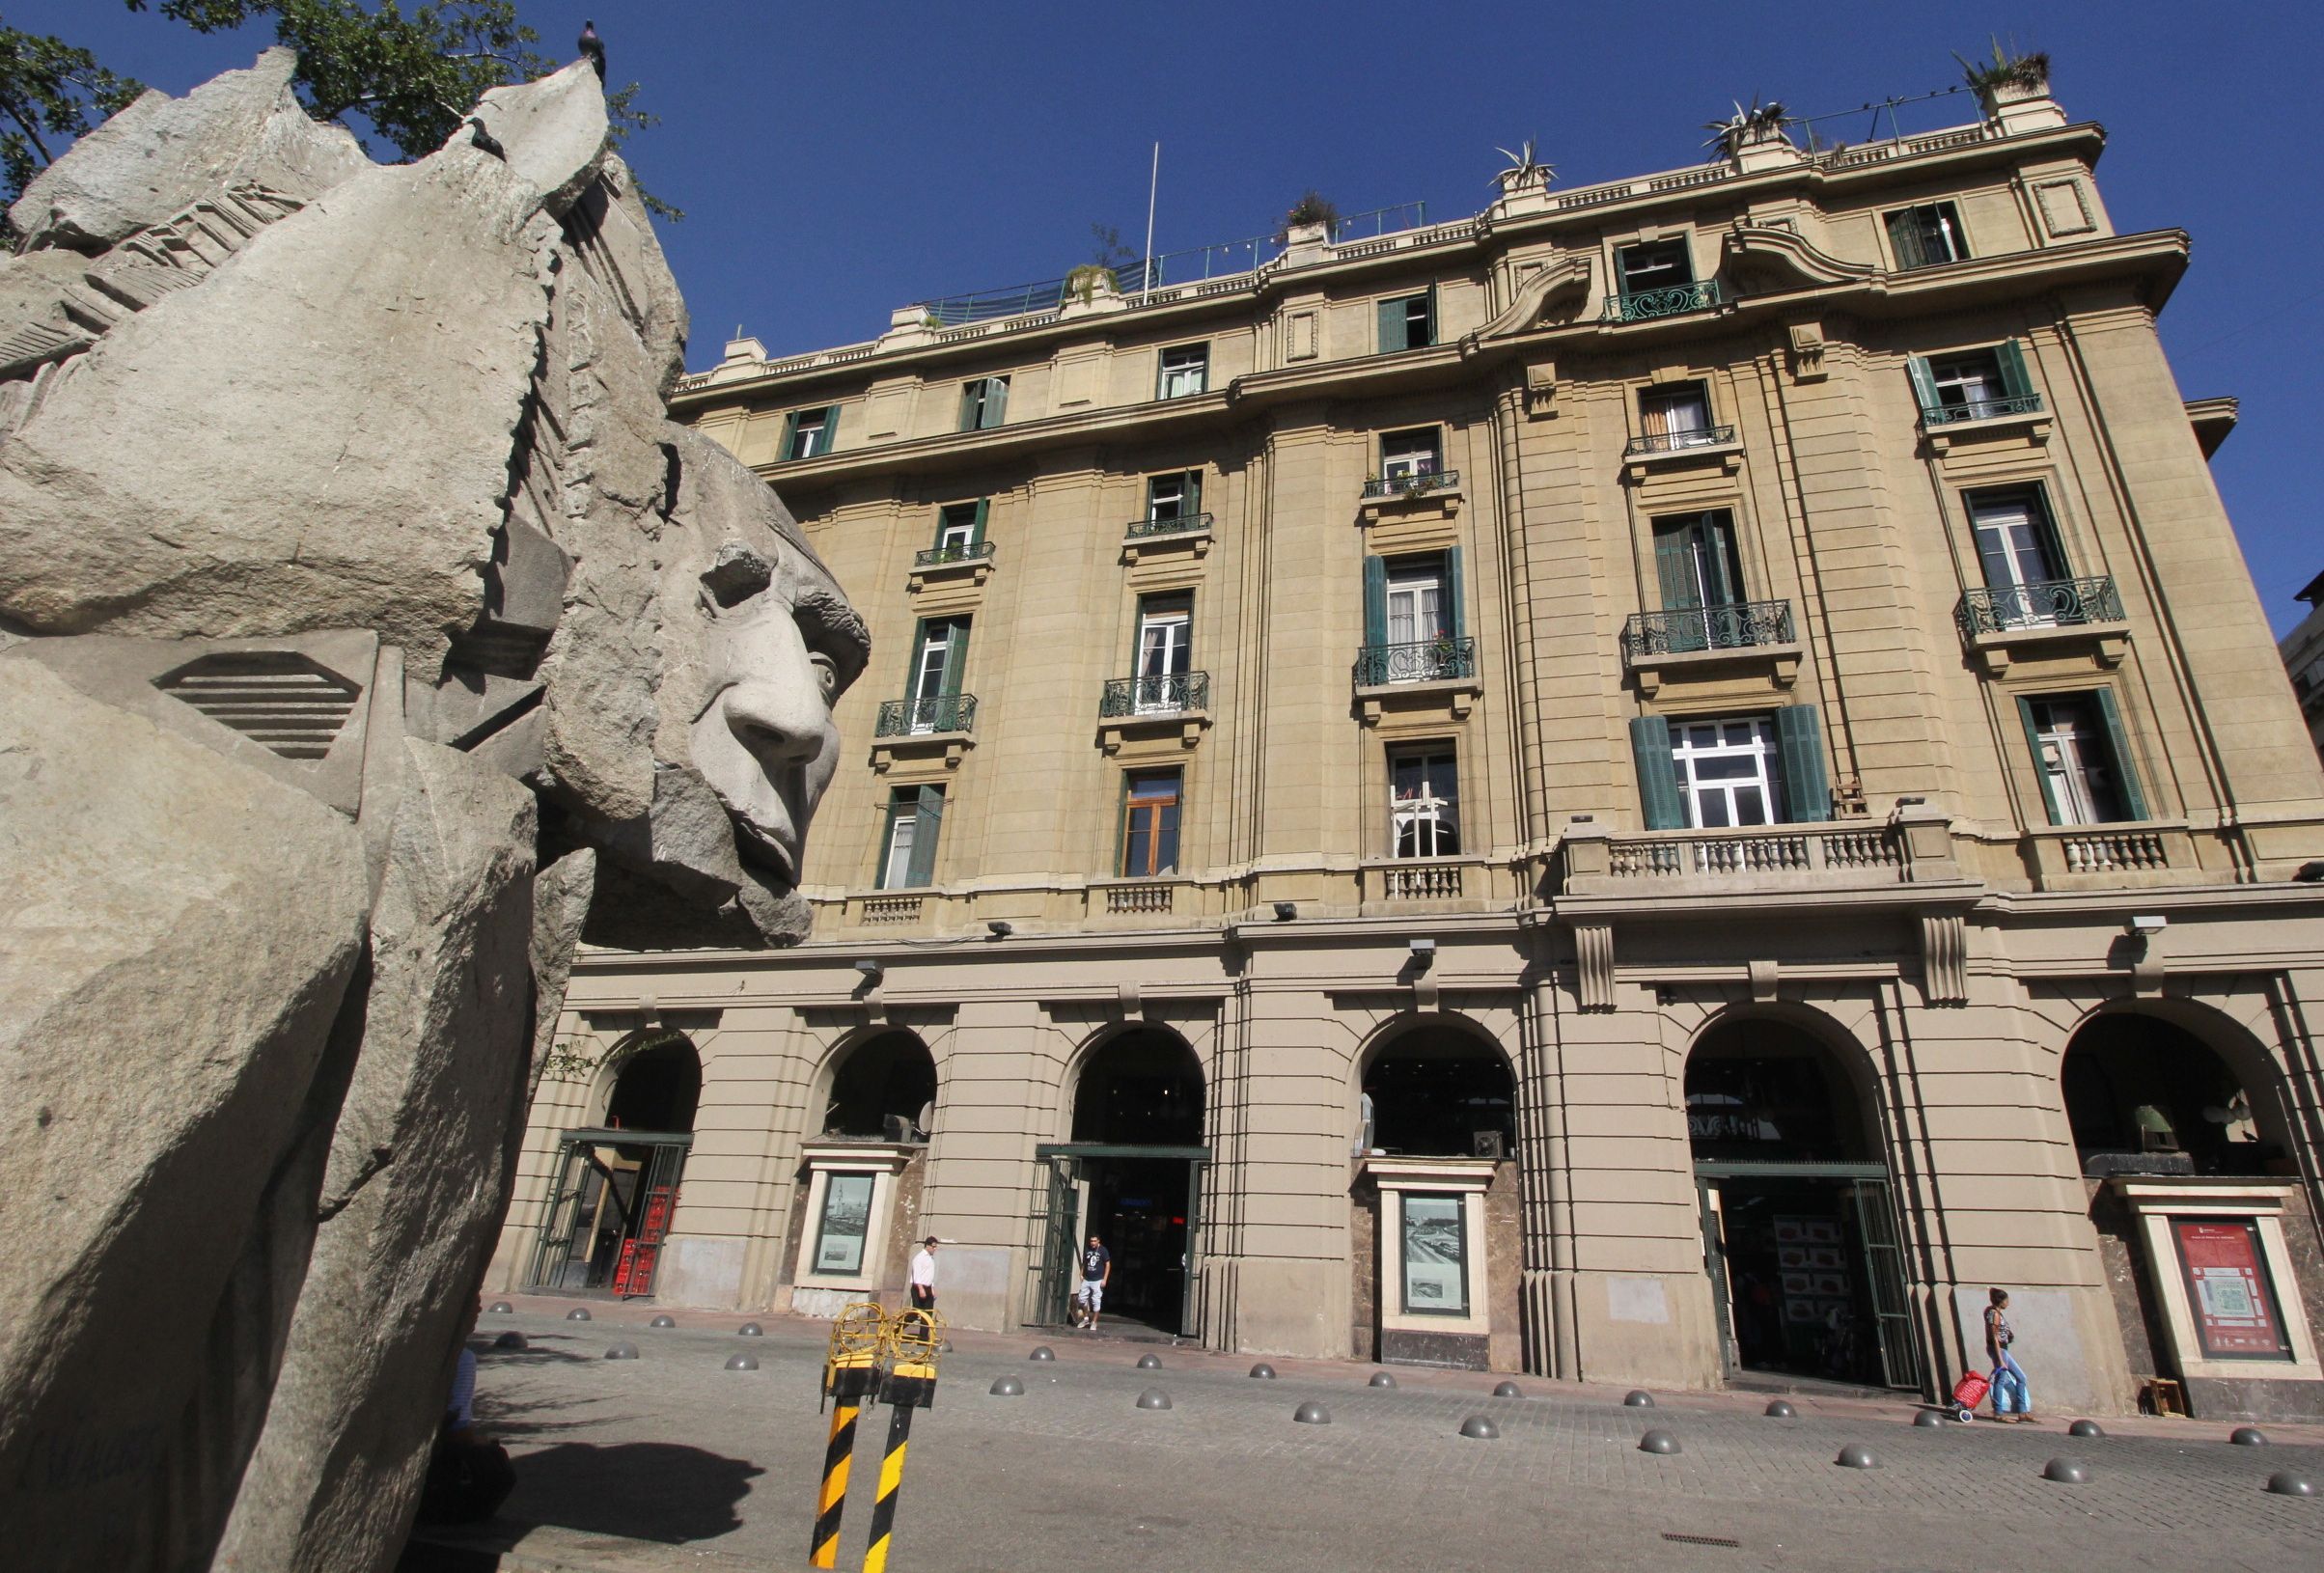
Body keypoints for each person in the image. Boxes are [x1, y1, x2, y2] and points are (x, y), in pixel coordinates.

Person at [414, 1300, 516, 1525]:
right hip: (435, 1466)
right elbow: (457, 1427)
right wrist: (481, 1443)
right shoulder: (462, 1357)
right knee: (495, 1467)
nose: (479, 1309)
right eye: (474, 1302)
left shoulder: (416, 1348)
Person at [1985, 1286, 2034, 1422]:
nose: (2008, 1303)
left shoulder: (1995, 1313)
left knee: (2021, 1377)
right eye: (2006, 1300)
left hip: (2003, 1349)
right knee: (2000, 1380)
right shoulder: (1994, 1314)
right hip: (1999, 1350)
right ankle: (1998, 1413)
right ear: (2000, 1301)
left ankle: (2022, 1412)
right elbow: (1994, 1337)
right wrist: (2000, 1359)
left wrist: (2008, 1335)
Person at [1075, 1233, 1112, 1331]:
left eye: (1095, 1241)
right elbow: (1085, 1262)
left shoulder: (1103, 1250)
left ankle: (1094, 1322)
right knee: (1082, 1299)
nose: (1093, 1243)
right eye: (1091, 1241)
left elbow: (1108, 1265)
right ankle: (1086, 1319)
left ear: (1098, 1241)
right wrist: (1081, 1273)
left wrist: (1105, 1279)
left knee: (1096, 1301)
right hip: (1087, 1278)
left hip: (1098, 1280)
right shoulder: (1087, 1249)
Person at [909, 1235, 939, 1311]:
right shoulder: (919, 1257)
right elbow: (917, 1275)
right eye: (933, 1247)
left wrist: (932, 1288)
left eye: (936, 1247)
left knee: (928, 1313)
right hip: (919, 1288)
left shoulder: (931, 1258)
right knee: (917, 1312)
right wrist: (921, 1289)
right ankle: (904, 1320)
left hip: (928, 1288)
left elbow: (929, 1275)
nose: (935, 1249)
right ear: (927, 1246)